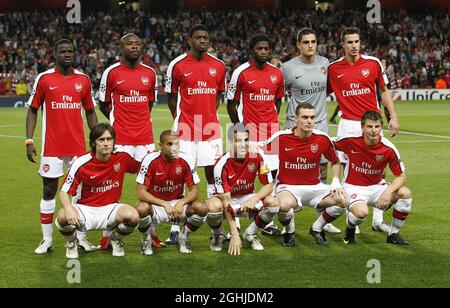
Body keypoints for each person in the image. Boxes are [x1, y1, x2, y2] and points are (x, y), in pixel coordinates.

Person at [26, 38, 98, 254]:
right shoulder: (44, 79)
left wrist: (94, 141)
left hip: (77, 148)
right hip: (52, 147)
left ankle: (81, 238)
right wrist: (29, 140)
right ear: (55, 54)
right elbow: (32, 109)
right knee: (49, 190)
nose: (67, 54)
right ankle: (47, 240)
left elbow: (91, 111)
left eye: (70, 51)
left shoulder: (83, 80)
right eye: (62, 51)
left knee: (79, 193)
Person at [327, 27, 399, 233]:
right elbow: (319, 92)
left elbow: (384, 92)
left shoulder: (373, 63)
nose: (354, 45)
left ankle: (378, 218)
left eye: (357, 41)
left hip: (372, 122)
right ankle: (352, 209)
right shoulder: (333, 69)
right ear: (342, 44)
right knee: (344, 167)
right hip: (348, 124)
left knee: (379, 164)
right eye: (349, 42)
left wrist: (392, 116)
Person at [98, 33, 164, 249]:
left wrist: (138, 122)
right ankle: (108, 234)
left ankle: (150, 234)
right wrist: (120, 122)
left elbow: (149, 104)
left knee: (150, 189)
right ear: (121, 48)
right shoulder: (112, 73)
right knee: (111, 186)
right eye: (129, 44)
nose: (134, 47)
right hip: (121, 140)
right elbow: (104, 104)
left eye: (137, 43)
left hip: (145, 140)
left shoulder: (150, 73)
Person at [165, 24, 226, 244]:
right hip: (185, 131)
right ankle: (175, 225)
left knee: (213, 174)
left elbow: (219, 94)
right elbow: (171, 97)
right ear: (189, 39)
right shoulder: (178, 64)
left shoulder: (218, 66)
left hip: (210, 130)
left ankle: (213, 218)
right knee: (180, 175)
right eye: (198, 37)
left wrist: (208, 114)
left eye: (206, 37)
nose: (202, 41)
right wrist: (180, 119)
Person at [281, 27, 341, 234]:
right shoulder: (287, 68)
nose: (310, 46)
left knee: (322, 170)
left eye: (313, 42)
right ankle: (288, 218)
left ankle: (322, 219)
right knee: (290, 171)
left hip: (320, 124)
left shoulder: (325, 64)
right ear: (298, 45)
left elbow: (330, 89)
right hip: (294, 125)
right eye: (305, 42)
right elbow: (277, 94)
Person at [265, 103, 348, 247]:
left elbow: (335, 161)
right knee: (284, 206)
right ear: (296, 119)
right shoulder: (281, 137)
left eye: (312, 117)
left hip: (314, 187)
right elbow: (262, 157)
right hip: (288, 187)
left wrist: (335, 181)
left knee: (344, 201)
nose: (309, 121)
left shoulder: (322, 139)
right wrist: (270, 184)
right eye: (305, 117)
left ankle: (316, 228)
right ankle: (289, 232)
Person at [226, 34, 284, 237]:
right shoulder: (240, 72)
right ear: (252, 50)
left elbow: (277, 101)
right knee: (243, 177)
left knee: (270, 176)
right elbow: (231, 103)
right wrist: (239, 129)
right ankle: (236, 218)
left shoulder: (277, 73)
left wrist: (272, 120)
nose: (263, 52)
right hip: (249, 135)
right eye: (259, 48)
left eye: (266, 48)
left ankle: (266, 222)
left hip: (271, 135)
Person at [55, 123, 141, 258]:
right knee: (62, 216)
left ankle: (116, 239)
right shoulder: (81, 162)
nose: (106, 143)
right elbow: (64, 191)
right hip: (84, 210)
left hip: (110, 209)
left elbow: (143, 169)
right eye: (101, 140)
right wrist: (68, 208)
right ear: (94, 143)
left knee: (133, 216)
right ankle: (72, 242)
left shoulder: (122, 158)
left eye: (109, 139)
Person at [334, 111, 412, 245]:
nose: (374, 131)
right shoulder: (350, 141)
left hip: (377, 188)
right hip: (353, 187)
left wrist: (388, 192)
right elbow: (327, 144)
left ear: (381, 128)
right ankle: (350, 229)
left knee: (405, 193)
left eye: (377, 127)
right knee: (361, 213)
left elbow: (401, 176)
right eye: (370, 127)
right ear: (362, 127)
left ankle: (393, 234)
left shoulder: (388, 148)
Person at [206, 124, 279, 255]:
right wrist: (234, 234)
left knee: (273, 203)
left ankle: (250, 234)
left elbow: (269, 185)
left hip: (247, 196)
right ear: (230, 142)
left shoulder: (257, 156)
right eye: (238, 140)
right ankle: (217, 235)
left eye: (246, 140)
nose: (243, 144)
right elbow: (226, 201)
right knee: (212, 206)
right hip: (225, 200)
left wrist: (254, 200)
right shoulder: (221, 164)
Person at [135, 130, 207, 254]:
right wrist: (165, 204)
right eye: (169, 144)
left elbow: (195, 191)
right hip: (156, 206)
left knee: (201, 208)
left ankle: (184, 237)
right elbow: (140, 193)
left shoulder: (186, 159)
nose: (174, 148)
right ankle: (147, 239)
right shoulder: (149, 160)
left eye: (176, 144)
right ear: (160, 145)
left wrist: (181, 202)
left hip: (178, 205)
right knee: (141, 208)